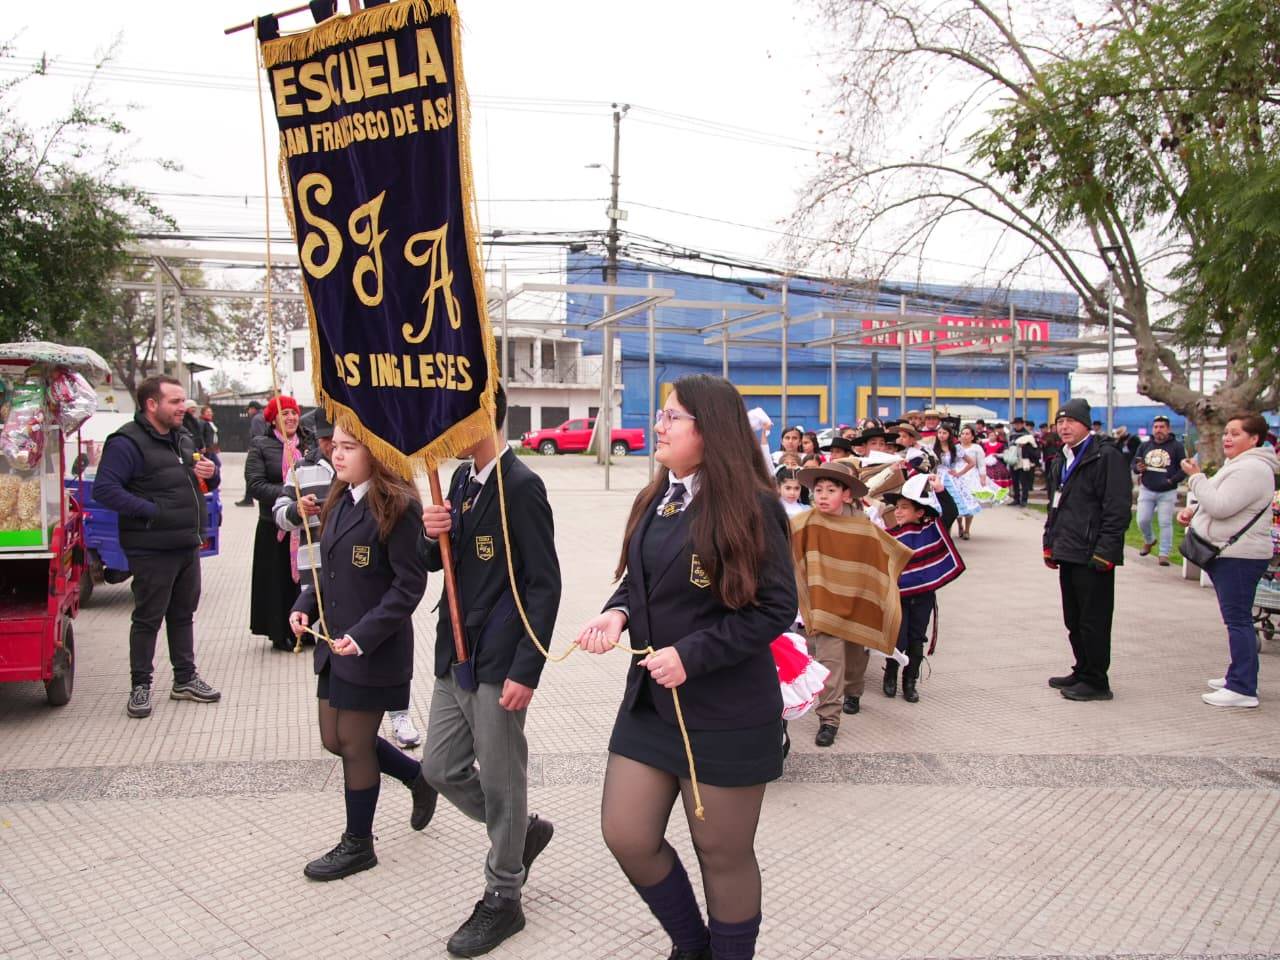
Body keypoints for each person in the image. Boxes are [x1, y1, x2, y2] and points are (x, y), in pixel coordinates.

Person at [575, 374, 797, 960]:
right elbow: (640, 581)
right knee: (627, 834)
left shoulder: (755, 507)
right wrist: (618, 614)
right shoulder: (658, 496)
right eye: (662, 415)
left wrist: (691, 655)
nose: (659, 425)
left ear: (711, 430)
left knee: (722, 854)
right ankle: (692, 945)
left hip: (725, 713)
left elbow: (776, 608)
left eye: (672, 417)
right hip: (653, 707)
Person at [419, 385, 562, 957]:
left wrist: (527, 669)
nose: (444, 433)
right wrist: (431, 531)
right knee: (439, 766)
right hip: (453, 653)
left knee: (503, 782)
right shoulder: (460, 481)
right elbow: (438, 562)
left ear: (484, 420)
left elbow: (545, 584)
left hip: (499, 660)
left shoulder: (521, 487)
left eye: (454, 421)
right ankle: (519, 832)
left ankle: (504, 895)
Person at [287, 423, 434, 881]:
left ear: (377, 452)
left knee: (353, 743)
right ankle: (416, 777)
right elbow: (325, 567)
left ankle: (358, 844)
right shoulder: (339, 497)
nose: (337, 454)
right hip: (336, 645)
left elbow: (408, 585)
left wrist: (365, 635)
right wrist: (304, 605)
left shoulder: (399, 505)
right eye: (335, 445)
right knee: (333, 739)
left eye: (349, 447)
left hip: (373, 649)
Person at [92, 375, 222, 719]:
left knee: (183, 614)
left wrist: (211, 473)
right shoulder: (126, 442)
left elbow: (204, 481)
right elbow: (104, 489)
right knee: (148, 618)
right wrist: (152, 511)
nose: (183, 407)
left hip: (186, 543)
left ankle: (185, 679)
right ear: (152, 404)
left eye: (183, 401)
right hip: (151, 547)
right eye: (175, 401)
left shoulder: (182, 437)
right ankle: (140, 686)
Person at [792, 459, 908, 746]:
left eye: (831, 490)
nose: (822, 496)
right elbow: (784, 551)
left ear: (846, 495)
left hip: (857, 602)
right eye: (818, 490)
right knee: (828, 662)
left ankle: (854, 691)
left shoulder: (863, 526)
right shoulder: (803, 523)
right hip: (823, 605)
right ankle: (828, 719)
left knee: (855, 659)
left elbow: (883, 558)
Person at [1179, 414, 1279, 708]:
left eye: (1235, 433)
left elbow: (1221, 506)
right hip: (1230, 554)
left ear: (1254, 439)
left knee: (1238, 621)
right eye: (1226, 432)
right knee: (1237, 619)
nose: (1227, 438)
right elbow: (1218, 499)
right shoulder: (1238, 464)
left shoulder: (1252, 469)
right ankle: (1238, 675)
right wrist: (1193, 511)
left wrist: (1196, 477)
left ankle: (1242, 688)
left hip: (1239, 556)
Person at [1042, 399, 1132, 702]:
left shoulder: (1105, 456)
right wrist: (1049, 542)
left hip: (1093, 553)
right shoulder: (1062, 457)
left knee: (1094, 620)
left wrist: (1106, 551)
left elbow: (1117, 508)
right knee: (1074, 619)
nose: (1064, 427)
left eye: (1071, 421)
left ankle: (1097, 680)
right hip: (1067, 548)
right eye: (1060, 422)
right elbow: (1055, 505)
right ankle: (1082, 669)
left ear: (1086, 424)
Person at [881, 474, 965, 702]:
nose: (898, 512)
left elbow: (951, 512)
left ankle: (910, 681)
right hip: (897, 597)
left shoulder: (931, 530)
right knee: (897, 638)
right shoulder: (889, 535)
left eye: (904, 507)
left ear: (920, 512)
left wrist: (940, 490)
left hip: (923, 596)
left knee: (916, 638)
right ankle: (890, 674)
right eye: (897, 507)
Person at [247, 396, 304, 651]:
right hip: (274, 526)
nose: (291, 418)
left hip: (306, 526)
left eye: (294, 412)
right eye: (285, 413)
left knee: (304, 580)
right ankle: (280, 632)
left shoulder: (308, 443)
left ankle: (306, 629)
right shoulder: (260, 445)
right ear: (272, 419)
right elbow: (255, 485)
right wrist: (290, 495)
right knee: (277, 581)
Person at [1133, 415, 1186, 567]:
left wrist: (1171, 481)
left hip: (1167, 492)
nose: (1158, 430)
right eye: (1156, 427)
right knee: (1142, 520)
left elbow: (1183, 468)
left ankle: (1164, 554)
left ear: (1168, 429)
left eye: (1162, 427)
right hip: (1147, 489)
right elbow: (1134, 464)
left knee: (1165, 523)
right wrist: (1138, 468)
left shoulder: (1176, 446)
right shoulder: (1145, 446)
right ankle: (1149, 540)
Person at [943, 426, 982, 539]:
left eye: (967, 434)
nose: (964, 436)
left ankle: (967, 529)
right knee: (955, 504)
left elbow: (979, 463)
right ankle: (959, 526)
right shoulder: (948, 447)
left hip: (970, 477)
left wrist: (982, 477)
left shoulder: (976, 448)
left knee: (968, 503)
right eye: (962, 434)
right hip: (952, 478)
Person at [235, 401, 268, 506]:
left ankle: (248, 499)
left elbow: (258, 435)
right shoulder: (264, 416)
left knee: (250, 474)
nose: (248, 412)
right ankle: (249, 498)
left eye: (249, 409)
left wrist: (254, 450)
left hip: (258, 450)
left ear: (253, 409)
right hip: (264, 449)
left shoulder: (257, 419)